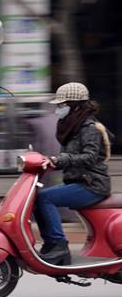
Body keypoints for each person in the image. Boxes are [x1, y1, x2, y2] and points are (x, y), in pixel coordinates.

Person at [36, 82, 112, 265]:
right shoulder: (72, 126)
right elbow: (70, 157)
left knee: (45, 198)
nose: (58, 109)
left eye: (62, 105)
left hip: (92, 184)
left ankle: (59, 246)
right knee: (37, 197)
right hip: (78, 181)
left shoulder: (89, 128)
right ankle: (50, 245)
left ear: (75, 105)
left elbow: (89, 157)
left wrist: (60, 160)